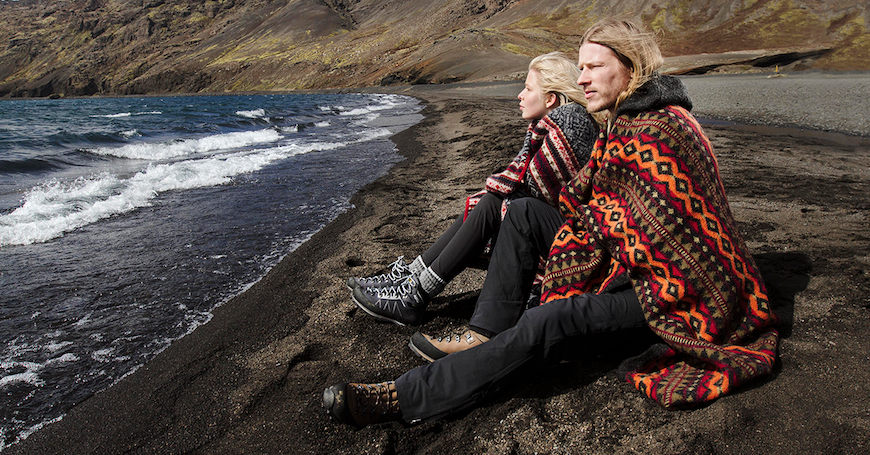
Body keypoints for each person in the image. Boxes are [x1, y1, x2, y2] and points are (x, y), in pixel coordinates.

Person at [323, 18, 780, 426]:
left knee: (553, 319)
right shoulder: (623, 124)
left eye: (595, 67)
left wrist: (595, 237)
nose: (583, 78)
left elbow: (678, 235)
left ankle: (406, 394)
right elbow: (595, 209)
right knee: (521, 214)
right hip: (629, 266)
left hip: (672, 294)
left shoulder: (664, 129)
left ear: (632, 69)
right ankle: (484, 332)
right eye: (580, 67)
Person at [348, 52, 599, 326]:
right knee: (489, 201)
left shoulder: (572, 122)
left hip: (577, 240)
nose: (519, 95)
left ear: (550, 98)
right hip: (558, 228)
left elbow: (537, 188)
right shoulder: (555, 123)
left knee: (492, 202)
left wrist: (496, 191)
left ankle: (415, 293)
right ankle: (411, 280)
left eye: (528, 89)